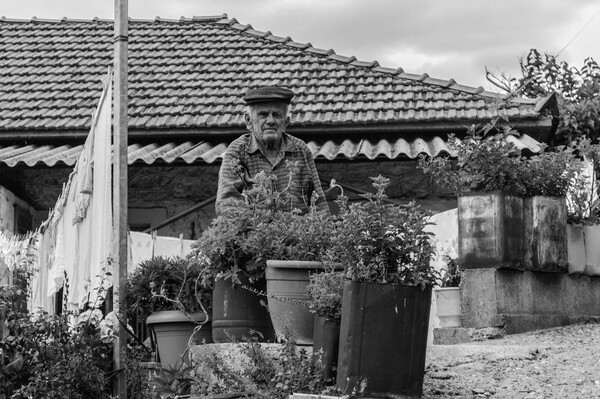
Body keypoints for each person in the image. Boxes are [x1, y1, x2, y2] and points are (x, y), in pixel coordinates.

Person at [215, 86, 328, 215]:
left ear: (286, 122)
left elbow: (319, 202)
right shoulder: (238, 151)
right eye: (262, 114)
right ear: (248, 120)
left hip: (298, 232)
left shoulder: (301, 150)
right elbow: (227, 203)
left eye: (277, 115)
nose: (270, 121)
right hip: (254, 233)